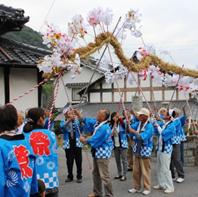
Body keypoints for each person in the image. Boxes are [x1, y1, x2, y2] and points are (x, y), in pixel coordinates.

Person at [0, 104, 38, 197]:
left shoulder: (1, 145)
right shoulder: (25, 142)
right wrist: (34, 190)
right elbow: (33, 170)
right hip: (25, 192)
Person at [23, 108, 59, 197]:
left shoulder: (23, 136)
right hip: (50, 179)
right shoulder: (51, 135)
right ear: (41, 119)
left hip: (32, 181)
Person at [79, 109, 114, 197]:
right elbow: (88, 121)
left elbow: (95, 139)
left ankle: (109, 194)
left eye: (99, 113)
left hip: (102, 154)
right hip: (97, 152)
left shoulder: (104, 127)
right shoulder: (99, 123)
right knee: (96, 174)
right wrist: (79, 115)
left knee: (104, 176)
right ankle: (97, 192)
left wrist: (85, 140)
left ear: (103, 117)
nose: (97, 114)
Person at [126, 108, 154, 195]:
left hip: (145, 150)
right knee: (136, 171)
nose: (139, 116)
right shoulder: (138, 124)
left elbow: (141, 137)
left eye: (141, 115)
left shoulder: (149, 126)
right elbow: (128, 130)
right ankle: (136, 187)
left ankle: (147, 188)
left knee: (145, 171)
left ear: (145, 116)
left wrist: (133, 131)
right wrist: (128, 122)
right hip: (137, 150)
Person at [153, 109, 175, 194]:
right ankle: (161, 184)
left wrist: (157, 126)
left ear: (169, 116)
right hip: (160, 148)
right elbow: (158, 133)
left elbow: (164, 133)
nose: (163, 114)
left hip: (166, 149)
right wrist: (156, 124)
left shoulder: (171, 125)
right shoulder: (166, 123)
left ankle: (170, 186)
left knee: (165, 169)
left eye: (165, 113)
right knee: (159, 167)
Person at [60, 108, 83, 183]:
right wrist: (69, 120)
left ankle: (79, 176)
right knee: (69, 161)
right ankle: (70, 176)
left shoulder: (77, 122)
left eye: (72, 113)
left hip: (77, 143)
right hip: (68, 143)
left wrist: (78, 115)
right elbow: (62, 127)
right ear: (66, 115)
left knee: (78, 160)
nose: (71, 115)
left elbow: (82, 124)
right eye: (69, 113)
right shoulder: (63, 122)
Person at [110, 112, 128, 181]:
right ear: (112, 117)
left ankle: (124, 174)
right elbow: (111, 134)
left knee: (124, 160)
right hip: (115, 144)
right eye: (115, 116)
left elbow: (125, 127)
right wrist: (114, 123)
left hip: (123, 144)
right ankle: (119, 173)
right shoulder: (110, 125)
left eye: (117, 116)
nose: (116, 118)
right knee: (117, 160)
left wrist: (120, 120)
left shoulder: (122, 123)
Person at [170, 109, 185, 183]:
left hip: (176, 141)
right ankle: (172, 175)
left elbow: (172, 127)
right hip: (169, 142)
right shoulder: (171, 121)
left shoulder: (177, 121)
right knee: (170, 160)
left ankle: (181, 175)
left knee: (177, 159)